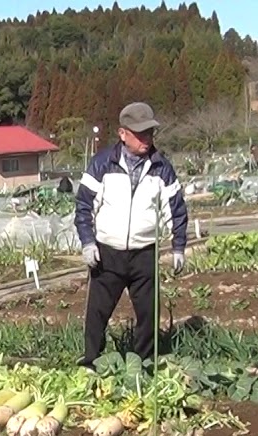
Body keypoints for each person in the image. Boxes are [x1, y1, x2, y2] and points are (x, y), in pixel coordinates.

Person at [74, 101, 189, 368]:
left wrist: (178, 247)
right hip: (108, 253)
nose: (146, 139)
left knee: (149, 313)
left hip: (144, 253)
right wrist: (88, 242)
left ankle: (144, 363)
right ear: (123, 134)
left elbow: (176, 209)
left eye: (149, 133)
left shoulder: (161, 168)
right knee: (97, 313)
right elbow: (84, 207)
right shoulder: (102, 164)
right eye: (140, 134)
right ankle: (92, 361)